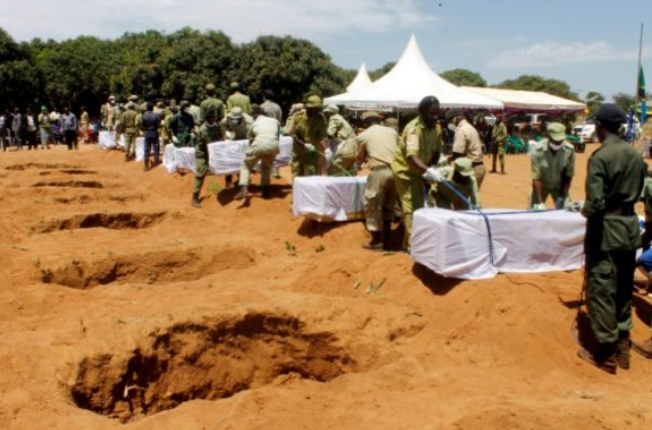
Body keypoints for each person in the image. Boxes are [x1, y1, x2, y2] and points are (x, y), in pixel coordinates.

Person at [578, 103, 647, 374]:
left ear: (599, 125)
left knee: (602, 288)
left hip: (605, 230)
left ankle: (605, 353)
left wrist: (584, 211)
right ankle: (622, 347)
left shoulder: (601, 157)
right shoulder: (634, 155)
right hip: (629, 228)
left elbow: (594, 202)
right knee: (622, 287)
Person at [391, 95, 442, 250]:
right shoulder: (413, 130)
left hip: (420, 171)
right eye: (431, 113)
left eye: (437, 113)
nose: (435, 117)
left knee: (420, 207)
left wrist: (431, 168)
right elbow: (412, 157)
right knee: (411, 207)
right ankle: (412, 247)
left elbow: (437, 151)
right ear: (421, 112)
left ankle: (408, 241)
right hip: (405, 172)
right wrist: (427, 171)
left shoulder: (437, 127)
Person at [355, 111, 399, 250]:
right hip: (396, 171)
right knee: (389, 204)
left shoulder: (363, 136)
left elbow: (359, 158)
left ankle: (376, 241)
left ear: (365, 123)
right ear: (379, 120)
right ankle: (388, 238)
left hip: (379, 171)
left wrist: (360, 162)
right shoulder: (392, 132)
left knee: (373, 204)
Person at [234, 104, 280, 201]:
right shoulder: (275, 121)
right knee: (266, 167)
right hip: (274, 146)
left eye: (252, 115)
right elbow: (277, 136)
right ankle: (265, 190)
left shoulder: (255, 123)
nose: (252, 116)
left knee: (246, 165)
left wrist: (250, 153)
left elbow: (250, 139)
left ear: (256, 114)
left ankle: (244, 188)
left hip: (259, 144)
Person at [529, 122, 576, 210]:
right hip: (541, 186)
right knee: (533, 213)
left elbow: (568, 176)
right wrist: (540, 203)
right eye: (555, 140)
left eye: (560, 140)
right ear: (549, 137)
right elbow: (536, 177)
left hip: (560, 186)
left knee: (566, 212)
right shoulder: (537, 149)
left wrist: (561, 197)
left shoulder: (569, 150)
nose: (558, 143)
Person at [291, 95, 328, 177]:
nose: (317, 111)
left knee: (313, 173)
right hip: (299, 149)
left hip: (313, 150)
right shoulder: (297, 117)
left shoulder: (321, 119)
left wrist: (326, 149)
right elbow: (293, 134)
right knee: (297, 172)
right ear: (308, 108)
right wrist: (303, 144)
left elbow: (322, 136)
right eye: (314, 109)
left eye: (318, 109)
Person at [191, 108, 221, 208]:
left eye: (214, 118)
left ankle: (229, 186)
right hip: (203, 154)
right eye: (211, 118)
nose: (213, 120)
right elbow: (206, 144)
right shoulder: (203, 129)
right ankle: (195, 197)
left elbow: (219, 136)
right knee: (200, 174)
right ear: (206, 119)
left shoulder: (216, 126)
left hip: (213, 152)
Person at [448, 109, 486, 188]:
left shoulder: (461, 130)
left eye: (450, 120)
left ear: (455, 118)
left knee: (462, 197)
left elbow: (457, 153)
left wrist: (446, 160)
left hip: (470, 170)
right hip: (479, 168)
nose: (451, 123)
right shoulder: (470, 127)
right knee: (472, 197)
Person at [323, 104, 357, 175]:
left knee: (335, 172)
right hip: (353, 148)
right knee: (350, 174)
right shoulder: (341, 118)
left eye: (326, 113)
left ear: (330, 112)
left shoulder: (334, 118)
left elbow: (330, 133)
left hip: (345, 148)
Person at [140, 102, 161, 171]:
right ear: (152, 108)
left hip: (147, 133)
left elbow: (143, 125)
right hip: (154, 132)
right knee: (156, 148)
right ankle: (156, 162)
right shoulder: (156, 115)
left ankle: (146, 166)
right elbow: (159, 125)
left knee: (147, 149)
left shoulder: (144, 116)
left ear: (147, 108)